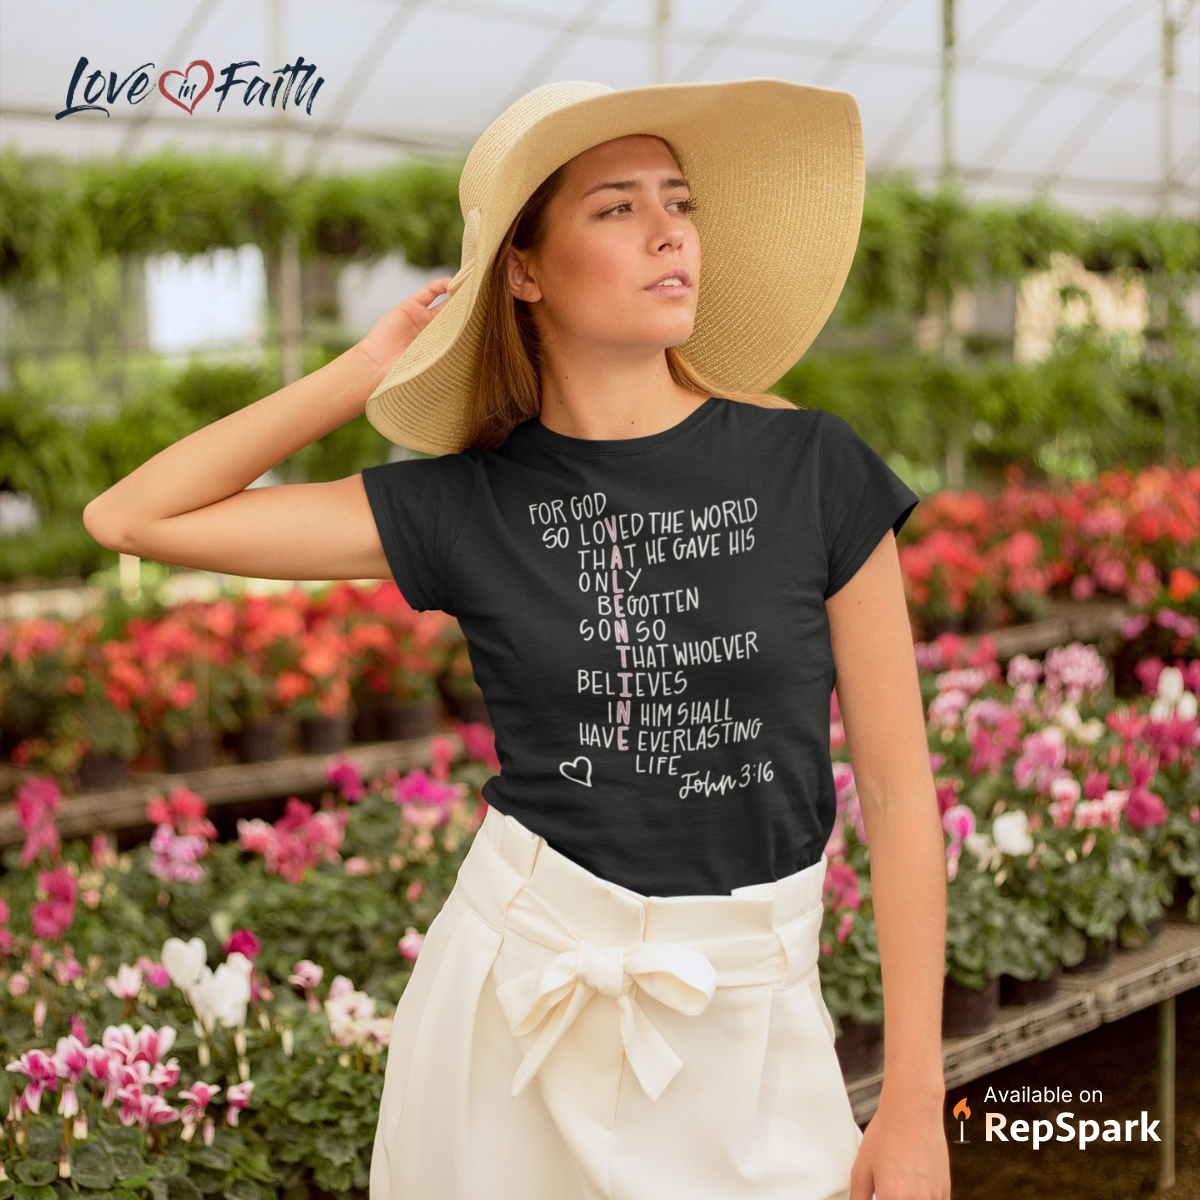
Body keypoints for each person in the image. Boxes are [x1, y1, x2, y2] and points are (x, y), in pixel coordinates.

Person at [84, 79, 950, 1200]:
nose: (668, 227)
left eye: (677, 201)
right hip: (516, 999)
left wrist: (916, 1101)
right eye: (615, 206)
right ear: (525, 272)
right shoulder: (466, 505)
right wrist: (363, 372)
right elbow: (133, 518)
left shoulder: (816, 470)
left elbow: (900, 789)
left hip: (752, 1009)